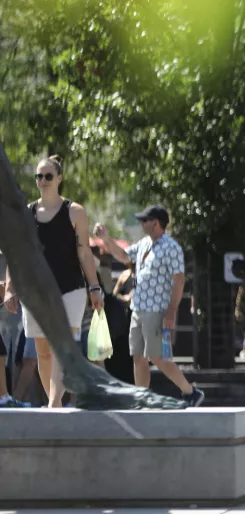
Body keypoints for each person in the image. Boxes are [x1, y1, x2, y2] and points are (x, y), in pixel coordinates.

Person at [3, 156, 104, 408]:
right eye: (39, 176)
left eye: (48, 176)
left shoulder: (75, 212)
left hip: (70, 289)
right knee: (43, 351)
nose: (43, 181)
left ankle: (53, 402)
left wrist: (94, 287)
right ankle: (55, 402)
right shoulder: (25, 213)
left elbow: (84, 253)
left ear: (59, 178)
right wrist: (9, 289)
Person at [95, 206, 205, 407]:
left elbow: (178, 281)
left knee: (158, 357)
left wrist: (171, 311)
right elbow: (124, 256)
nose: (142, 224)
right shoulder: (145, 244)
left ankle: (190, 391)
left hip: (157, 310)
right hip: (138, 308)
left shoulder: (171, 248)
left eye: (145, 220)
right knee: (138, 356)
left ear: (156, 222)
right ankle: (142, 398)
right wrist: (106, 240)